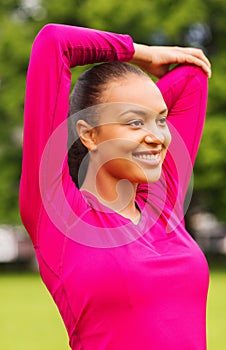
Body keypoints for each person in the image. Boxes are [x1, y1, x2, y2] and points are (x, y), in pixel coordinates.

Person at [19, 23, 211, 350]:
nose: (158, 136)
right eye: (135, 121)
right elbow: (55, 42)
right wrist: (142, 54)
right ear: (90, 134)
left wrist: (139, 104)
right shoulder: (57, 213)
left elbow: (194, 77)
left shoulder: (163, 204)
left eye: (161, 120)